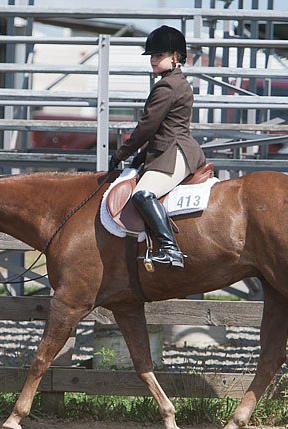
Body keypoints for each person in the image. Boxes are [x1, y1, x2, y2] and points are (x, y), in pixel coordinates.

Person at [108, 25, 206, 269]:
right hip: (171, 148)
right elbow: (163, 128)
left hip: (174, 153)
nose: (152, 60)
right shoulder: (176, 82)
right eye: (151, 55)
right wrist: (140, 157)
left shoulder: (167, 86)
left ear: (175, 56)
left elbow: (147, 127)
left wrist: (120, 153)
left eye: (158, 55)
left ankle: (170, 249)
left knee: (143, 194)